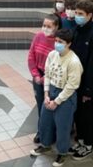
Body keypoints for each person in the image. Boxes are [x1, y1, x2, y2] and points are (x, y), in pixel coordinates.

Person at [30, 29, 83, 167]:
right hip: (51, 90)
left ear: (69, 44)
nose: (57, 44)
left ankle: (62, 153)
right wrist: (47, 94)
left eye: (61, 42)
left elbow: (72, 86)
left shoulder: (74, 61)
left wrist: (57, 101)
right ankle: (45, 144)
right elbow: (47, 74)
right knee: (45, 122)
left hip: (66, 96)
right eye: (56, 41)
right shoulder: (52, 54)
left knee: (63, 127)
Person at [69, 0, 93, 161]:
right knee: (78, 114)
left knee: (87, 116)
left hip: (86, 85)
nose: (77, 16)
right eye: (76, 13)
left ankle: (88, 144)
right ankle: (81, 140)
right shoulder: (78, 30)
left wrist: (89, 90)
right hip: (74, 81)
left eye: (80, 14)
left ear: (90, 15)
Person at [28, 14, 61, 144]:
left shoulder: (58, 43)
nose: (45, 28)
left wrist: (44, 79)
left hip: (50, 79)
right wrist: (36, 75)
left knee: (49, 106)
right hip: (37, 76)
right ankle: (41, 131)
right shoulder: (38, 36)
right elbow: (31, 56)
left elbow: (57, 65)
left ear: (56, 27)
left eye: (49, 26)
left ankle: (50, 132)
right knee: (40, 103)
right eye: (44, 25)